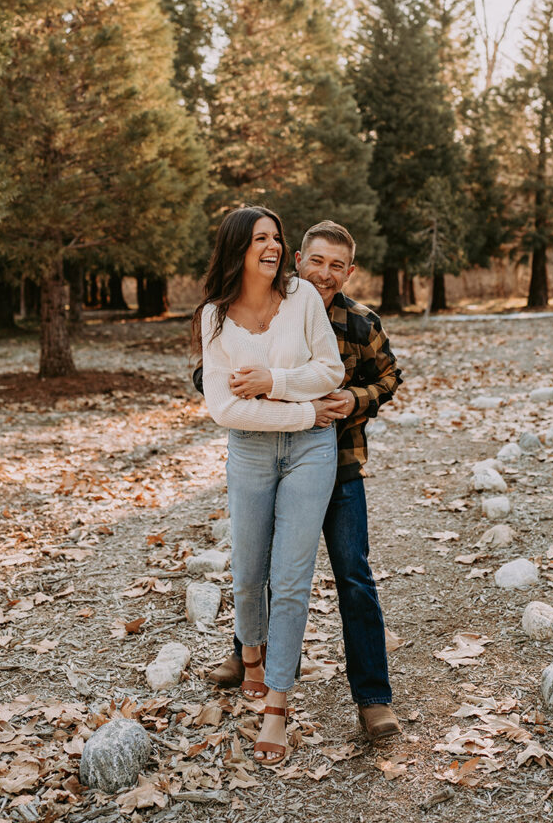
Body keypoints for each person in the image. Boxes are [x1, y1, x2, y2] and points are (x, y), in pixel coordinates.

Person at [203, 219, 403, 742]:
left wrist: (354, 400)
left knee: (352, 575)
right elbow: (214, 378)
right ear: (298, 260)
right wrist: (268, 393)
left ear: (349, 272)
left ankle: (373, 697)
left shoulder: (360, 321)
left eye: (337, 266)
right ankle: (248, 652)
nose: (325, 272)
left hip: (337, 463)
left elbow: (389, 377)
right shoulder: (256, 306)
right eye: (316, 261)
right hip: (267, 449)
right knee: (255, 560)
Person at [194, 207, 345, 765]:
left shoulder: (302, 298)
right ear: (237, 249)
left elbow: (330, 371)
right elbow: (223, 408)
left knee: (290, 577)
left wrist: (272, 383)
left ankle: (277, 704)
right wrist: (304, 412)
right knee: (248, 568)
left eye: (277, 237)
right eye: (260, 238)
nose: (273, 246)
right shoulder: (214, 318)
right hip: (256, 451)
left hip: (311, 455)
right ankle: (250, 653)